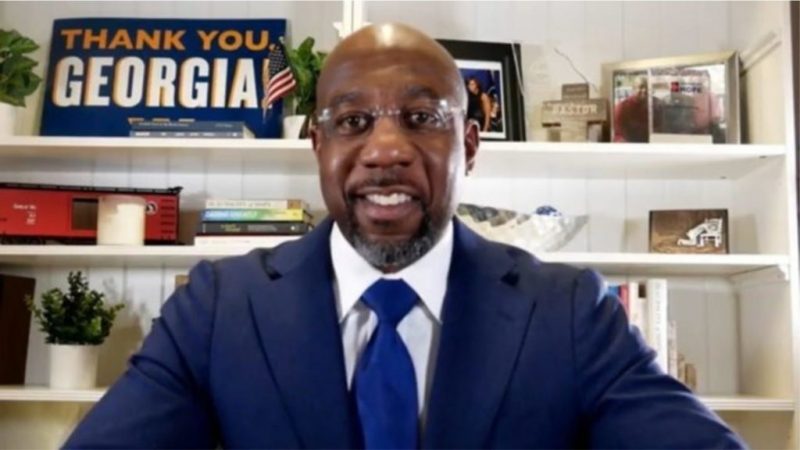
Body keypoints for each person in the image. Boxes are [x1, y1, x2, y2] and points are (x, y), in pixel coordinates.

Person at [65, 23, 746, 449]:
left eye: (421, 119)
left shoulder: (569, 312)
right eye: (352, 123)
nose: (386, 149)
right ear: (318, 146)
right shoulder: (218, 306)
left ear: (469, 146)